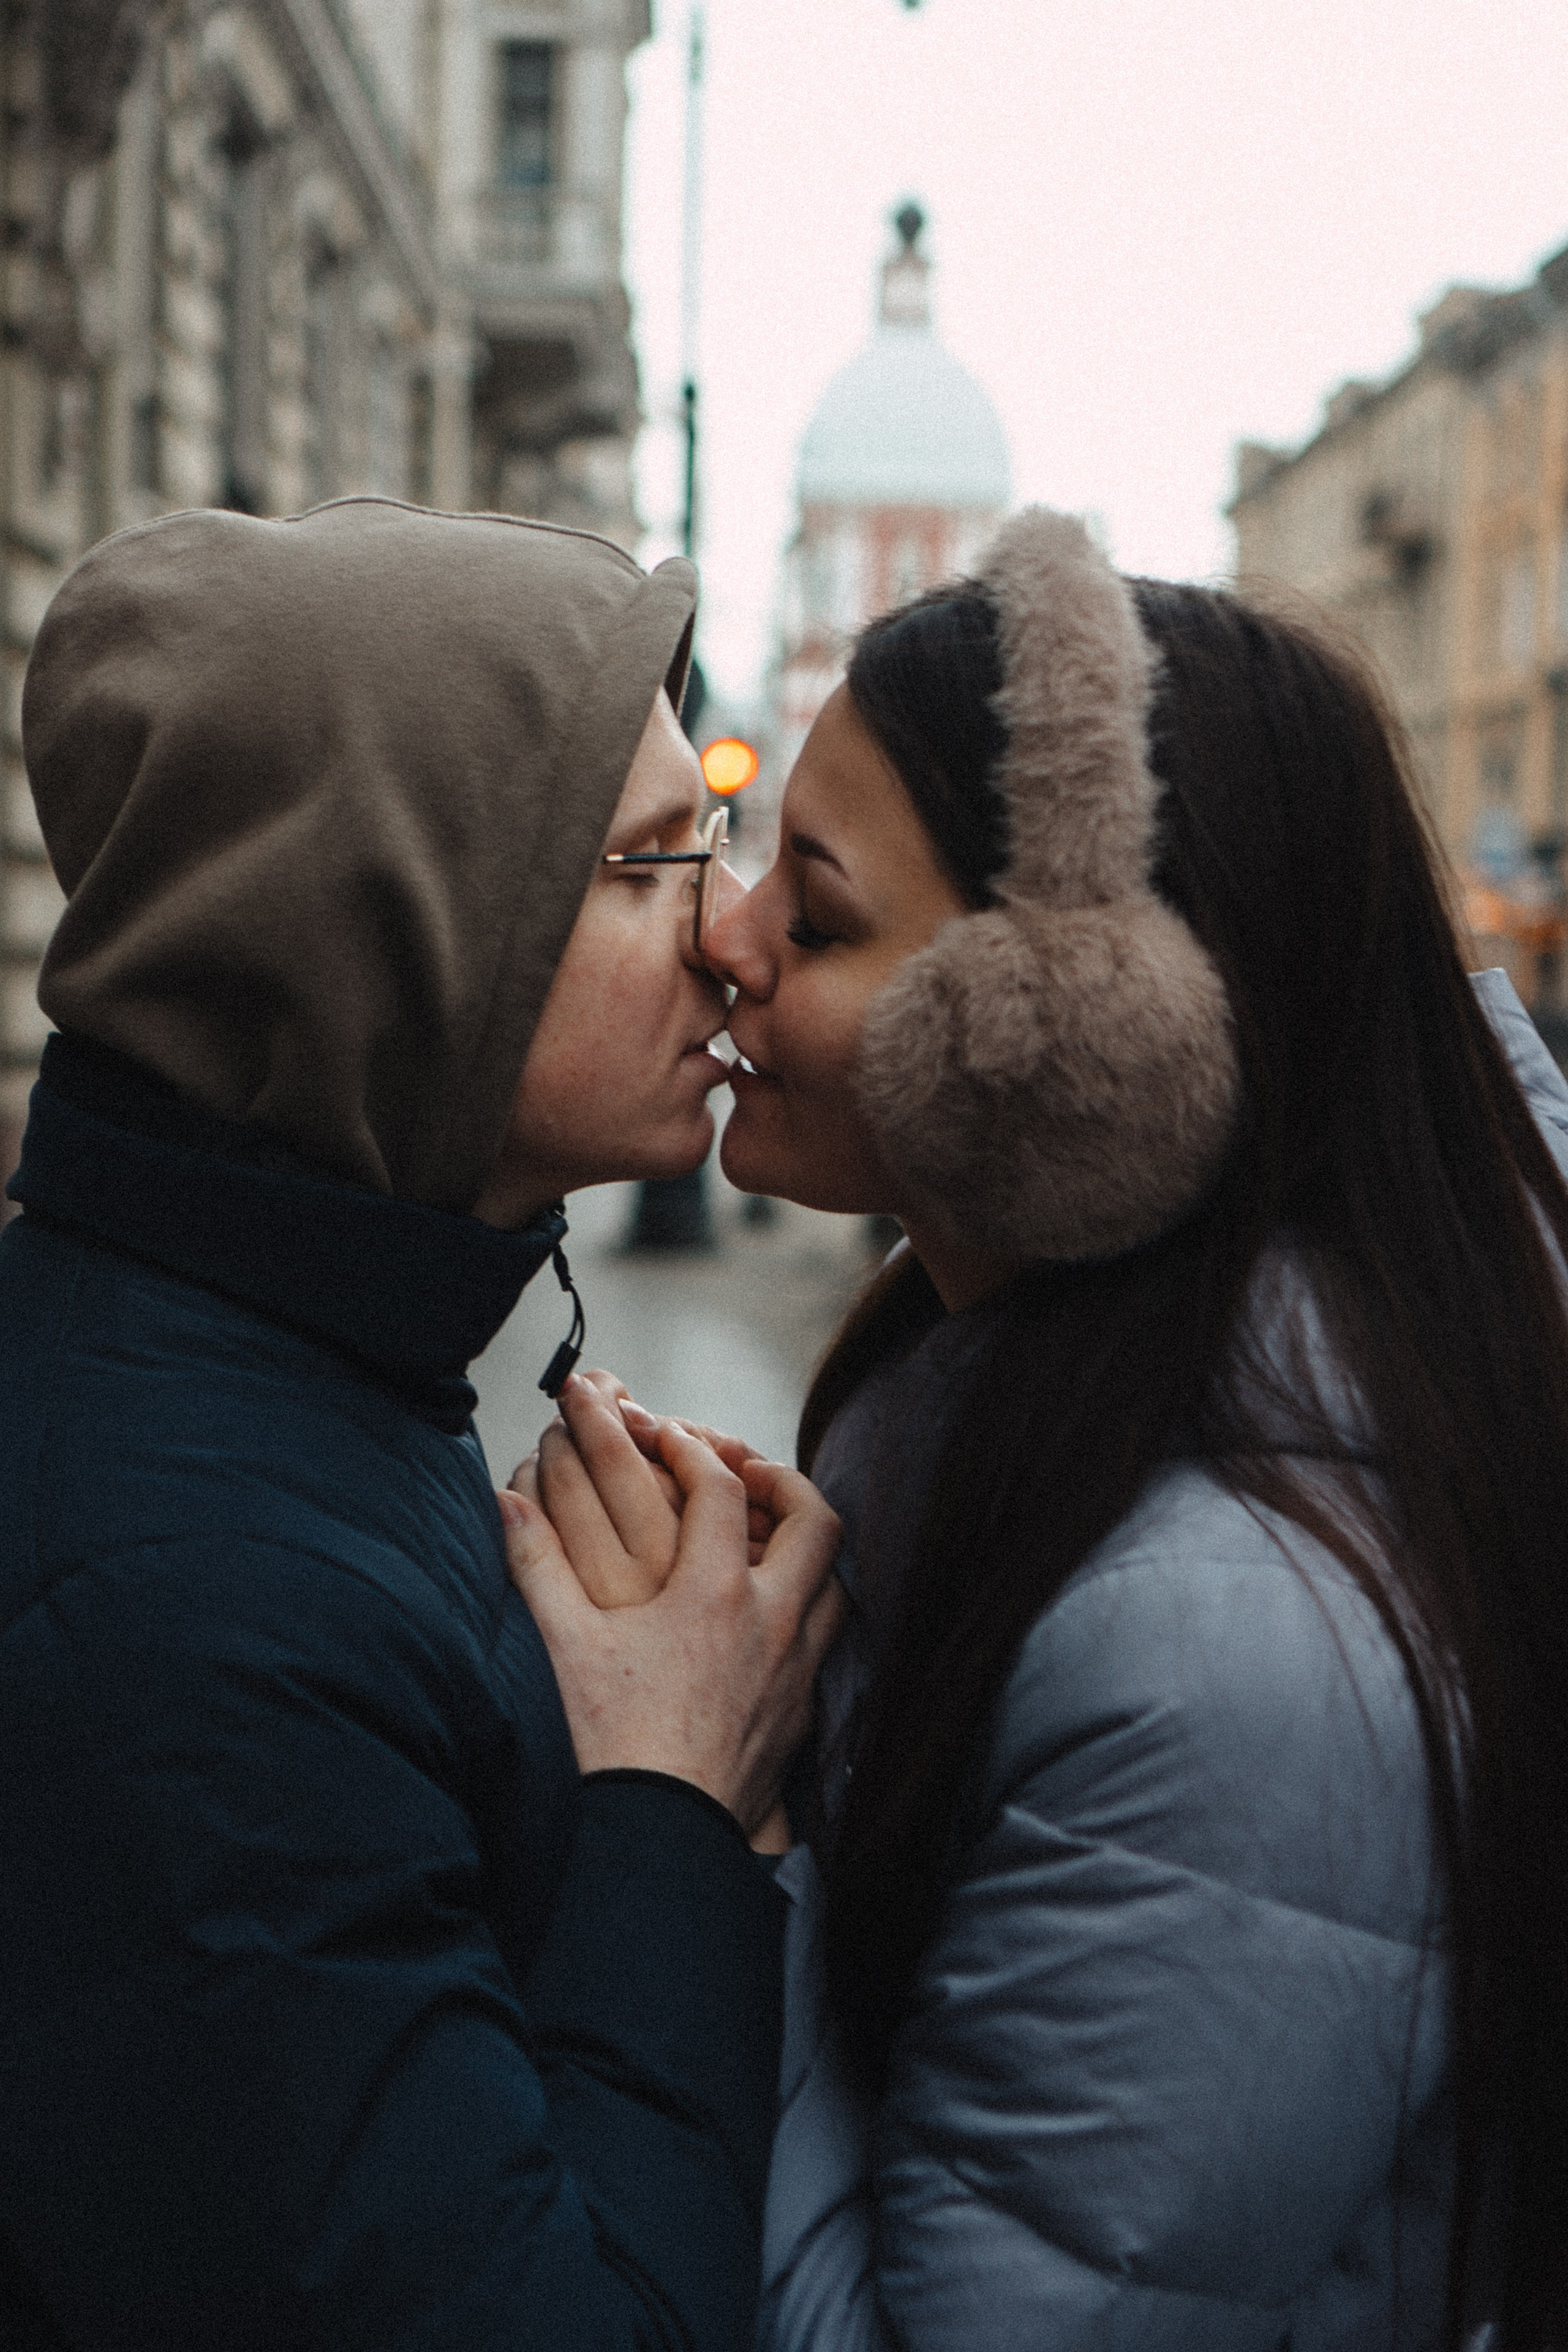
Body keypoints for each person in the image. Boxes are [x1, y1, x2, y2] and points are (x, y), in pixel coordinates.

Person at [505, 510, 1568, 2349]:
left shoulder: (1240, 1664)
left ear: (1085, 1047)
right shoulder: (1024, 1406)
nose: (725, 936)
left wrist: (710, 1828)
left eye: (816, 912)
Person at [0, 495, 842, 2350]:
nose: (723, 934)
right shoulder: (196, 1627)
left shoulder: (308, 1360)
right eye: (645, 860)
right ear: (396, 935)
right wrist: (670, 1803)